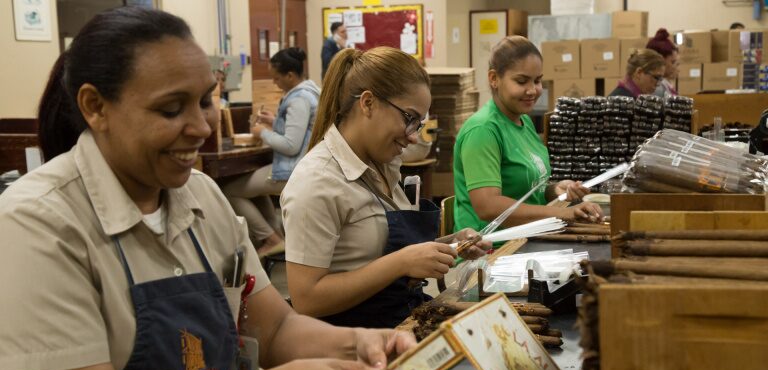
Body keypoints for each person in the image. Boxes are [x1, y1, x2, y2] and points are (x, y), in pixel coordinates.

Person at [0, 8, 415, 370]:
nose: (201, 127)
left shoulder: (200, 196)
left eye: (204, 101)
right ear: (95, 107)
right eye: (170, 110)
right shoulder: (39, 224)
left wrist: (361, 342)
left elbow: (274, 330)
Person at [281, 47, 490, 329]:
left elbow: (377, 251)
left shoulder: (384, 163)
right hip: (355, 345)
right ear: (367, 103)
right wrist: (401, 262)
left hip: (401, 324)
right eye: (409, 118)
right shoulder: (317, 182)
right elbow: (307, 298)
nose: (414, 137)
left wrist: (450, 245)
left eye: (420, 124)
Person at [453, 36, 604, 235]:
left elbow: (527, 188)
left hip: (527, 236)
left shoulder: (524, 122)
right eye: (521, 81)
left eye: (538, 80)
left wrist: (554, 189)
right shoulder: (483, 130)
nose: (533, 90)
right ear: (493, 78)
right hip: (490, 249)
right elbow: (487, 206)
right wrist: (563, 214)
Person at [222, 47, 319, 257]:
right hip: (302, 167)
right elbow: (300, 130)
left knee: (230, 190)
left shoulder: (298, 99)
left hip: (293, 170)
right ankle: (276, 235)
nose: (275, 83)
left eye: (276, 79)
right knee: (253, 187)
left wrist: (261, 133)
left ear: (290, 76)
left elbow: (291, 145)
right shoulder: (308, 92)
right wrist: (273, 122)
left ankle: (271, 238)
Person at [646, 28, 679, 97]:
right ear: (659, 61)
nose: (676, 67)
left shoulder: (665, 85)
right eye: (672, 62)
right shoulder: (656, 88)